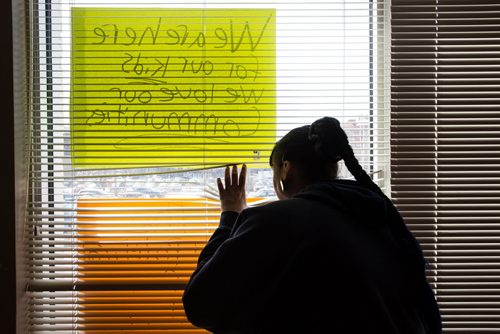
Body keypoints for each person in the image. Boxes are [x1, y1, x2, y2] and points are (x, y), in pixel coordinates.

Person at [182, 117, 442, 334]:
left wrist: (230, 215)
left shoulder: (277, 221)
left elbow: (200, 304)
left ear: (286, 169)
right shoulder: (374, 216)